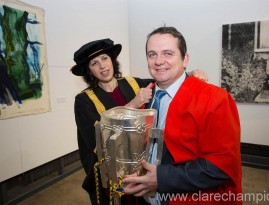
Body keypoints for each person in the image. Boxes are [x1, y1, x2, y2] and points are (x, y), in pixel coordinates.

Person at [71, 38, 208, 205]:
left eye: (105, 58)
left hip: (141, 166)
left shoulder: (134, 83)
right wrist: (133, 105)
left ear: (112, 60)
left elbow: (166, 80)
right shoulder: (84, 100)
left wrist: (191, 74)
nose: (102, 66)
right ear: (89, 70)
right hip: (111, 172)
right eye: (94, 63)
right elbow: (98, 138)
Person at [123, 26, 242, 205]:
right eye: (152, 54)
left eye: (168, 53)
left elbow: (222, 166)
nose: (158, 61)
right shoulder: (145, 96)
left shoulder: (215, 99)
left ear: (185, 59)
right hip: (144, 197)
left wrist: (162, 178)